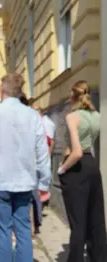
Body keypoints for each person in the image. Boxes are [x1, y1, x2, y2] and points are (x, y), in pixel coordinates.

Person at [0, 73, 51, 262]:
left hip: (0, 179)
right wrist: (44, 182)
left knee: (2, 231)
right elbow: (42, 151)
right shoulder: (33, 115)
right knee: (24, 230)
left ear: (2, 89)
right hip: (24, 180)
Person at [57, 80, 106, 262]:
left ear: (72, 95)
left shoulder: (72, 117)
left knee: (78, 221)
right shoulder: (96, 115)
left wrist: (61, 169)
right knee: (96, 217)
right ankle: (99, 257)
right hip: (92, 165)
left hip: (76, 168)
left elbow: (76, 152)